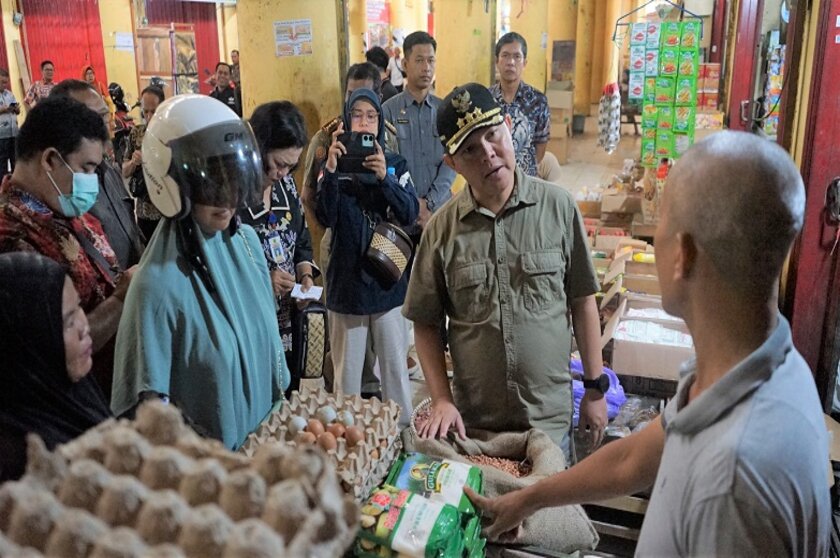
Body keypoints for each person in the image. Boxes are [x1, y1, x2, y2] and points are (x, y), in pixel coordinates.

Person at [465, 132, 831, 557]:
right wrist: (529, 498)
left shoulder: (733, 481)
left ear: (683, 256)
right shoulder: (754, 367)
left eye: (662, 225)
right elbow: (633, 459)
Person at [403, 83, 606, 462]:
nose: (488, 154)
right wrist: (442, 398)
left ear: (509, 127)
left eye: (493, 136)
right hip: (477, 427)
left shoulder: (559, 208)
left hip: (549, 424)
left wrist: (595, 389)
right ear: (452, 163)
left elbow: (582, 300)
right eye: (470, 150)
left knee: (550, 519)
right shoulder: (442, 231)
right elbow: (426, 323)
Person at [112, 94, 288, 449]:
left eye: (234, 176)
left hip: (268, 456)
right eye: (211, 181)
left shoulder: (248, 246)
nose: (228, 198)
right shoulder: (156, 287)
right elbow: (151, 420)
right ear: (169, 184)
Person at [0, 96, 134, 396]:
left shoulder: (68, 211)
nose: (92, 182)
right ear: (49, 160)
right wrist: (122, 298)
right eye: (86, 168)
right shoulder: (13, 241)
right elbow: (53, 349)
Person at [316, 88, 419, 426]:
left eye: (371, 116)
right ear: (346, 121)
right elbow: (324, 217)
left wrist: (384, 178)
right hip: (347, 288)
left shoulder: (395, 164)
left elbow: (409, 212)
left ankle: (403, 436)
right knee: (347, 378)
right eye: (357, 115)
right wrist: (330, 171)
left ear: (379, 122)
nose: (363, 123)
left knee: (394, 371)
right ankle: (349, 441)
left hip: (388, 283)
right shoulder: (332, 164)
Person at [300, 62, 397, 398]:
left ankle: (379, 404)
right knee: (348, 350)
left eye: (367, 104)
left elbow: (405, 204)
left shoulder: (388, 137)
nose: (362, 118)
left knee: (386, 350)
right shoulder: (326, 140)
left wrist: (387, 177)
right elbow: (310, 198)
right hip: (342, 254)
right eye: (352, 100)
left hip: (383, 257)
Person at [0, 252, 111, 482]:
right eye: (68, 322)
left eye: (79, 306)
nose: (84, 327)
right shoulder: (28, 466)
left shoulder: (74, 392)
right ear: (29, 342)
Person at [239, 101, 318, 396]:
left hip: (288, 319)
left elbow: (301, 238)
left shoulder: (287, 186)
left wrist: (306, 277)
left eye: (291, 166)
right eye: (279, 164)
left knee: (288, 391)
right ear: (257, 148)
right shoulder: (231, 198)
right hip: (251, 321)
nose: (284, 173)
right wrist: (262, 281)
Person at [50, 79, 145, 270]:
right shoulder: (64, 187)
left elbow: (132, 232)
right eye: (98, 118)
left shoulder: (109, 170)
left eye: (106, 115)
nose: (108, 124)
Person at [382, 31, 456, 238]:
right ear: (405, 64)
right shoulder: (388, 111)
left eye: (431, 60)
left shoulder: (445, 111)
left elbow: (453, 162)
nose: (427, 67)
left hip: (440, 212)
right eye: (420, 60)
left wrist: (429, 203)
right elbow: (388, 164)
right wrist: (412, 204)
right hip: (400, 216)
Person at [489, 32, 550, 178]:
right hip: (493, 178)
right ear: (497, 61)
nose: (511, 62)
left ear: (524, 63)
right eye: (505, 56)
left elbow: (541, 145)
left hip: (526, 180)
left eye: (517, 56)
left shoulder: (538, 101)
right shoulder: (486, 99)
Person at [123, 85, 165, 240]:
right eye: (145, 111)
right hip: (143, 211)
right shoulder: (137, 133)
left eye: (153, 111)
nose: (149, 116)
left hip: (168, 211)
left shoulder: (172, 133)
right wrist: (134, 162)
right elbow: (124, 171)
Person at [81, 65, 115, 130]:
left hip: (103, 120)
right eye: (87, 74)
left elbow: (110, 103)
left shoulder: (100, 86)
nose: (90, 76)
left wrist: (112, 119)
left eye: (91, 73)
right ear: (84, 76)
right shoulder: (82, 90)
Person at [0, 68, 20, 173]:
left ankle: (15, 185)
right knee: (2, 162)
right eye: (2, 82)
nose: (5, 85)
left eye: (6, 82)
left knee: (15, 160)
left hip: (13, 133)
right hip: (1, 135)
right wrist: (4, 109)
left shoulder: (10, 94)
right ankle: (2, 186)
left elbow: (17, 109)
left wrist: (16, 109)